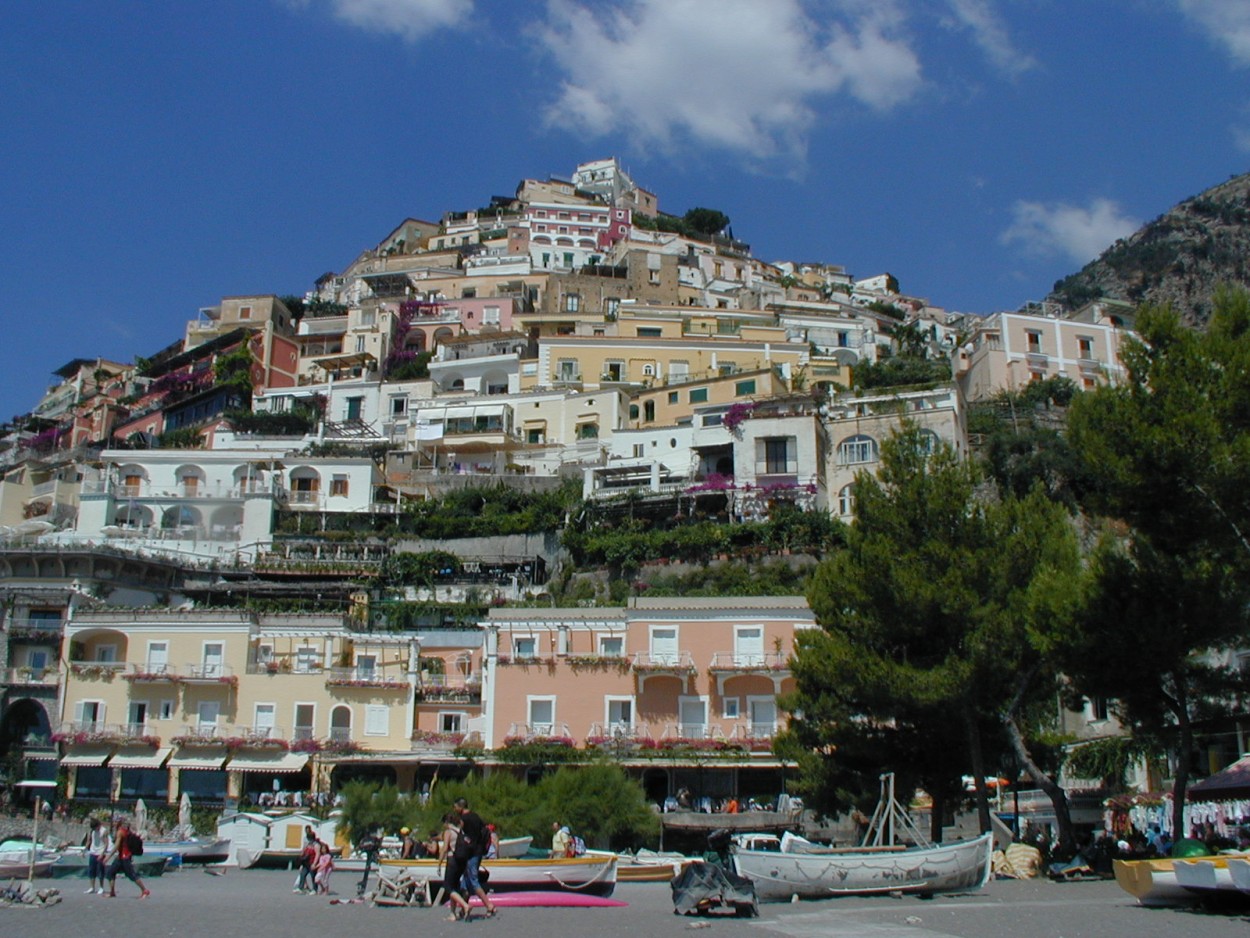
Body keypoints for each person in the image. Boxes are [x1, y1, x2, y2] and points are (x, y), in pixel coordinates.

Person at [454, 797, 497, 918]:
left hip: (470, 853)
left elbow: (461, 834)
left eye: (455, 806)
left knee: (472, 880)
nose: (454, 809)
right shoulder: (476, 816)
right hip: (478, 851)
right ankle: (464, 908)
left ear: (461, 807)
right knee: (465, 882)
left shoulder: (464, 819)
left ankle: (489, 905)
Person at [438, 812, 473, 922]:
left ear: (446, 822)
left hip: (452, 859)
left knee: (448, 887)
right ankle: (452, 914)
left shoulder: (448, 832)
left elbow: (444, 848)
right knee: (454, 886)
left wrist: (439, 864)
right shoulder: (460, 831)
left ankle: (465, 906)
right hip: (461, 861)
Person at [106, 818, 150, 899]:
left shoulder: (120, 832)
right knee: (111, 872)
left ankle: (144, 890)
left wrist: (108, 857)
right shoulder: (126, 831)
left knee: (131, 875)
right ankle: (112, 892)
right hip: (121, 857)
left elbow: (116, 846)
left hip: (124, 857)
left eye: (115, 822)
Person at [85, 818, 109, 895]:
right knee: (91, 871)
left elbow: (106, 844)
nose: (95, 829)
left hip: (100, 852)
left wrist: (102, 854)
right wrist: (84, 850)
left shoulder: (103, 831)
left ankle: (101, 887)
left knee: (100, 871)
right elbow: (89, 841)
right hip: (93, 852)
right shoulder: (92, 831)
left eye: (96, 828)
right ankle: (92, 887)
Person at [294, 828, 317, 893]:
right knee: (302, 874)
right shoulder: (308, 844)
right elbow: (304, 851)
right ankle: (301, 888)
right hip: (306, 863)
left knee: (313, 876)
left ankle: (314, 889)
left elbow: (317, 855)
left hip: (312, 862)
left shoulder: (316, 845)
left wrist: (314, 864)